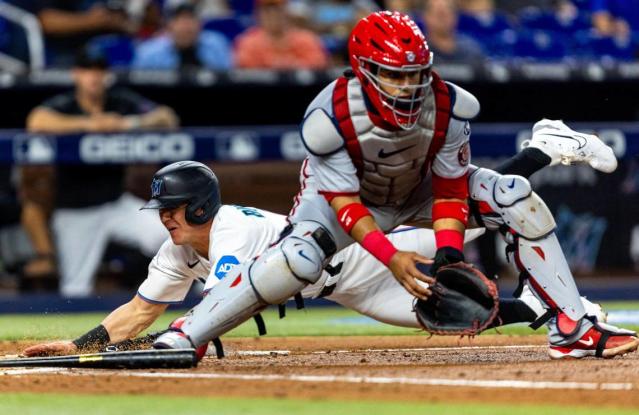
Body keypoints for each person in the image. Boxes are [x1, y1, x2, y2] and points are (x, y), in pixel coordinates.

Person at [150, 11, 636, 360]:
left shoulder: (448, 105)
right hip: (346, 204)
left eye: (414, 76)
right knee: (298, 260)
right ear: (364, 71)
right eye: (393, 76)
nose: (407, 88)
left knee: (511, 197)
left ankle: (573, 326)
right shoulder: (329, 118)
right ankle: (186, 334)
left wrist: (448, 254)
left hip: (421, 189)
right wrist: (392, 259)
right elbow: (344, 205)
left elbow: (448, 186)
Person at [23, 127, 636, 359]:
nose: (164, 221)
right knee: (457, 316)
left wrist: (171, 346)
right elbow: (141, 310)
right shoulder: (180, 247)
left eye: (173, 210)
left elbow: (214, 315)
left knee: (475, 214)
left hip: (361, 247)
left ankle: (545, 146)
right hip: (345, 287)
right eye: (160, 212)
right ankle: (559, 310)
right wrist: (81, 346)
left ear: (201, 206)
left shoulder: (229, 229)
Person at [21, 45, 179, 297]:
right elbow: (36, 120)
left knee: (171, 236)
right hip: (76, 211)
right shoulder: (66, 105)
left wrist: (127, 123)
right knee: (75, 288)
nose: (93, 76)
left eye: (98, 70)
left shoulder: (119, 101)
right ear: (76, 74)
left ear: (107, 75)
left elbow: (167, 117)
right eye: (86, 70)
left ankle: (188, 305)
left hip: (117, 204)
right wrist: (89, 124)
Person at [132, 3, 233, 71]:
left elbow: (229, 81)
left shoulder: (216, 44)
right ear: (169, 26)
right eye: (180, 20)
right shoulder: (149, 52)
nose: (186, 26)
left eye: (190, 19)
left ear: (200, 24)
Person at [234, 0, 329, 70]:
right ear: (258, 14)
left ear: (286, 12)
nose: (273, 14)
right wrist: (277, 63)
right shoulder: (248, 41)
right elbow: (244, 66)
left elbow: (319, 63)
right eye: (267, 10)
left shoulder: (306, 38)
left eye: (277, 9)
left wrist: (289, 64)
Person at [421, 0, 486, 65]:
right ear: (425, 17)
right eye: (439, 14)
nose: (442, 20)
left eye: (447, 14)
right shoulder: (419, 51)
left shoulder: (471, 50)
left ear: (455, 16)